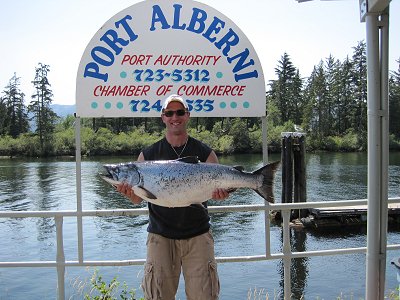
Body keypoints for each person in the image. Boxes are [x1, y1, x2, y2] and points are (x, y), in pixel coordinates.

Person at [117, 94, 229, 300]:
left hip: (198, 236)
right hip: (160, 237)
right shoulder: (147, 155)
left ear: (187, 115)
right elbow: (138, 199)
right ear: (163, 117)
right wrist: (128, 192)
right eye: (169, 113)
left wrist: (222, 194)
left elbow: (218, 192)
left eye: (179, 112)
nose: (174, 117)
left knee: (204, 296)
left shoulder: (205, 153)